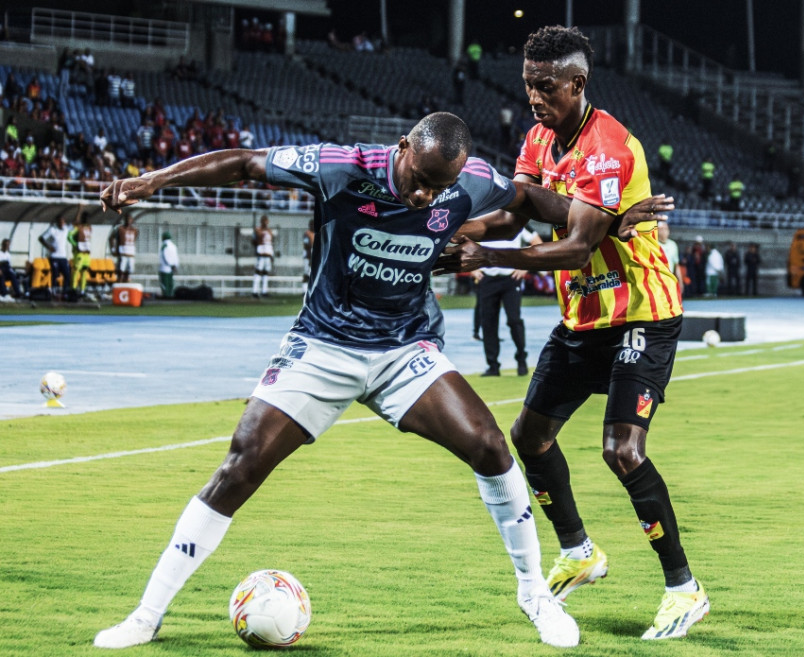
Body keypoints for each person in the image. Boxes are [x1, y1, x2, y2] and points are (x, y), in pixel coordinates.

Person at [92, 111, 609, 651]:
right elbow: (244, 162)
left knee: (490, 446)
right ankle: (146, 616)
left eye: (439, 189)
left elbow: (529, 200)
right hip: (323, 345)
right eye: (420, 180)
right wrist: (153, 180)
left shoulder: (470, 179)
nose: (425, 197)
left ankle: (535, 595)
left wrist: (610, 219)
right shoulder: (341, 167)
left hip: (404, 349)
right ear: (403, 147)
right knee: (242, 464)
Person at [438, 26, 708, 641]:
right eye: (528, 85)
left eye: (546, 86)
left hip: (641, 311)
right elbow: (516, 211)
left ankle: (684, 589)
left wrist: (487, 257)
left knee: (622, 450)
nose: (534, 97)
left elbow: (578, 246)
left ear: (577, 83)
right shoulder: (538, 138)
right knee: (528, 437)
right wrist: (457, 231)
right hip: (583, 317)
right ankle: (579, 551)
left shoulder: (608, 147)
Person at [476, 227, 542, 377]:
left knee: (514, 320)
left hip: (511, 278)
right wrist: (473, 269)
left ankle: (521, 358)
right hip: (488, 278)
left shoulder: (517, 220)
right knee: (488, 322)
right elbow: (465, 241)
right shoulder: (482, 220)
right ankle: (492, 365)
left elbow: (537, 242)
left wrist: (526, 266)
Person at [39, 213, 73, 300]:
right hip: (54, 257)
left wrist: (80, 209)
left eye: (63, 222)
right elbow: (41, 238)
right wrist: (48, 247)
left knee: (67, 275)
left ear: (64, 222)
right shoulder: (52, 230)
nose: (61, 223)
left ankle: (64, 292)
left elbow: (76, 222)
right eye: (60, 222)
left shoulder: (65, 229)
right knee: (55, 274)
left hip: (63, 257)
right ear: (57, 222)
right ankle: (54, 291)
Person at [68, 209, 95, 300]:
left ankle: (82, 290)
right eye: (85, 218)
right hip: (79, 253)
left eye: (88, 218)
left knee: (84, 272)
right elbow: (69, 236)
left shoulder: (89, 228)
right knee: (76, 271)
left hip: (86, 254)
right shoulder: (78, 227)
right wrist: (76, 245)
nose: (87, 219)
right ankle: (73, 290)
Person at [110, 214, 138, 283]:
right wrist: (113, 249)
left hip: (131, 253)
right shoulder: (120, 229)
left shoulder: (134, 230)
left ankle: (126, 283)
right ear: (124, 220)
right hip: (123, 253)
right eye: (127, 219)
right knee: (121, 270)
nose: (128, 221)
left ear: (132, 220)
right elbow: (111, 238)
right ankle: (119, 283)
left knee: (130, 271)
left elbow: (135, 239)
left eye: (130, 219)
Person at [657, 223, 682, 296]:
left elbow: (676, 265)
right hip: (657, 279)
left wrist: (680, 281)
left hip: (669, 279)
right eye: (661, 229)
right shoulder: (654, 244)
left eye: (666, 229)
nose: (664, 231)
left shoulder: (673, 245)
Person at [252, 215, 275, 298]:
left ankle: (264, 291)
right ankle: (255, 291)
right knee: (258, 271)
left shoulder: (269, 231)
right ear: (261, 222)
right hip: (261, 253)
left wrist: (272, 255)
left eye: (266, 221)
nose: (265, 223)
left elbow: (271, 242)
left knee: (266, 272)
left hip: (268, 253)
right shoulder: (258, 230)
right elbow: (254, 240)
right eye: (264, 221)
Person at [0, 237, 23, 302]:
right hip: (1, 269)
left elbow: (9, 266)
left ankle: (18, 293)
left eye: (8, 245)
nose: (7, 246)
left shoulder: (8, 255)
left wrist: (13, 272)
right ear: (2, 245)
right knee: (2, 277)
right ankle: (4, 293)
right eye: (5, 245)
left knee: (13, 276)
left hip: (7, 269)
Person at [158, 231, 179, 298]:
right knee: (170, 283)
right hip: (171, 268)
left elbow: (165, 256)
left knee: (164, 283)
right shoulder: (174, 246)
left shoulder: (164, 246)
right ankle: (170, 295)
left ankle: (166, 296)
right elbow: (176, 257)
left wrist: (170, 264)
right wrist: (175, 266)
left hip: (164, 268)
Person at [301, 219, 315, 283]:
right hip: (308, 253)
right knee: (306, 271)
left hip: (313, 253)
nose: (313, 226)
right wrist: (310, 256)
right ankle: (304, 287)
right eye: (311, 225)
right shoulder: (307, 234)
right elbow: (306, 245)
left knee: (311, 272)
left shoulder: (316, 233)